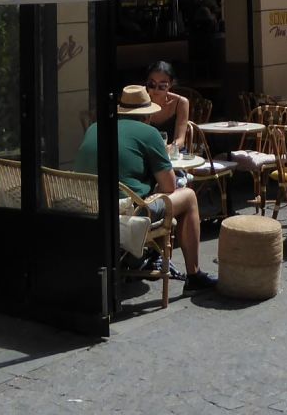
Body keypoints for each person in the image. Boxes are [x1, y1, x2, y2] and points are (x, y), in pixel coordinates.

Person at [73, 84, 215, 290]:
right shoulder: (150, 133)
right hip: (127, 211)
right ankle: (194, 275)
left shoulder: (96, 127)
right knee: (189, 196)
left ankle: (139, 258)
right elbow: (169, 186)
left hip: (85, 204)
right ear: (147, 116)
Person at [141, 61, 189, 149]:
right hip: (147, 151)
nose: (156, 89)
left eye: (162, 85)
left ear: (171, 84)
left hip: (173, 151)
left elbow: (180, 140)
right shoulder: (140, 102)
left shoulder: (180, 103)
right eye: (152, 84)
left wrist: (166, 150)